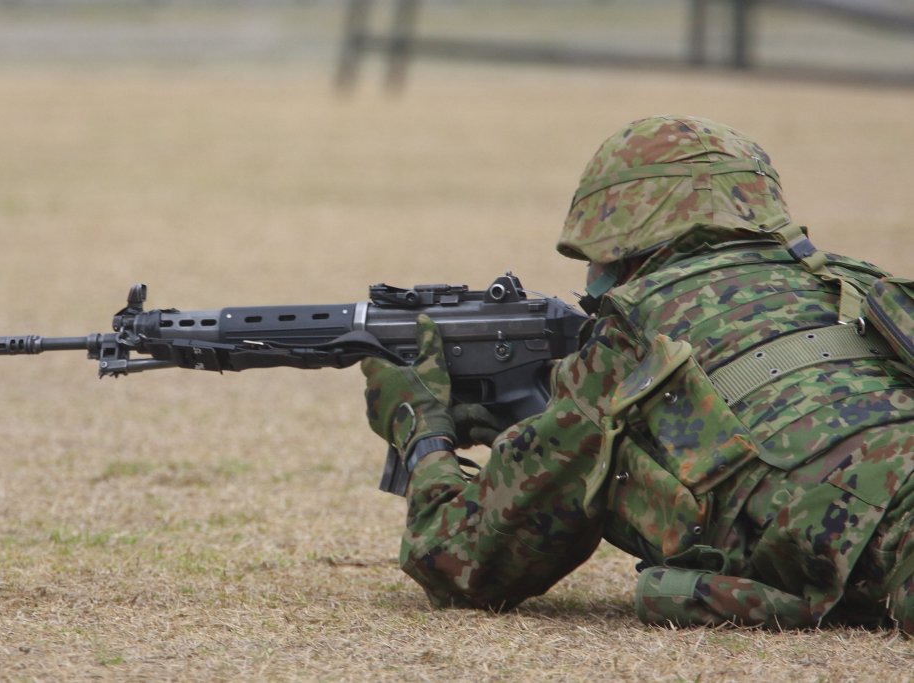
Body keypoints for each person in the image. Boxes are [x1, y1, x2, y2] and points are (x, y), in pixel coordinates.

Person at [360, 114, 914, 631]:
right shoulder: (859, 284)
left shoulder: (629, 332)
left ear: (620, 234)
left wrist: (422, 432)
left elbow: (462, 561)